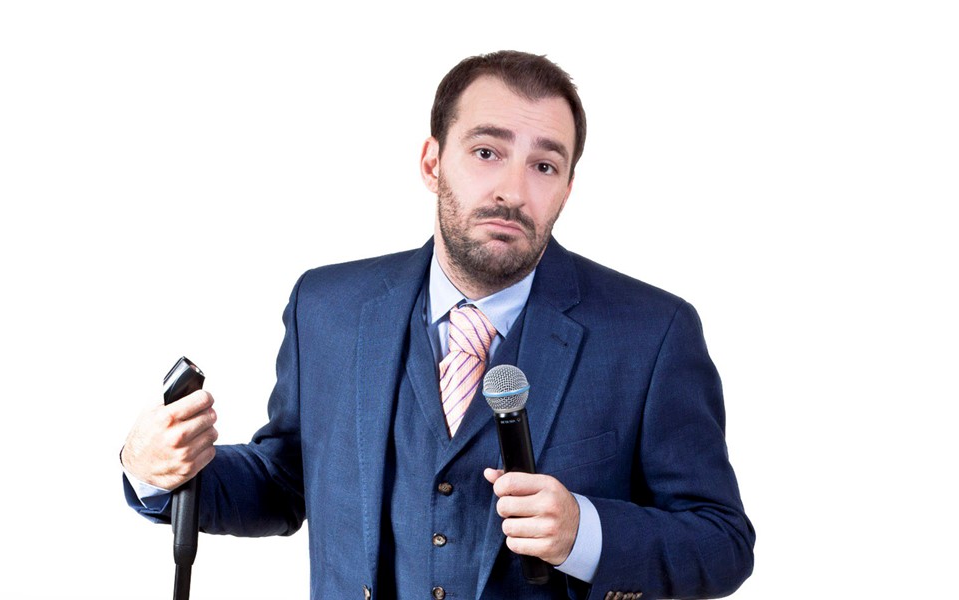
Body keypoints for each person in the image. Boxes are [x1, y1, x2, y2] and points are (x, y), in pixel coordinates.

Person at [122, 50, 754, 599]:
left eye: (544, 166)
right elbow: (286, 481)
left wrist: (583, 532)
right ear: (432, 163)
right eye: (487, 152)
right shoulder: (328, 307)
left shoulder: (653, 333)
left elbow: (723, 542)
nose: (512, 190)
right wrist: (156, 470)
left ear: (566, 188)